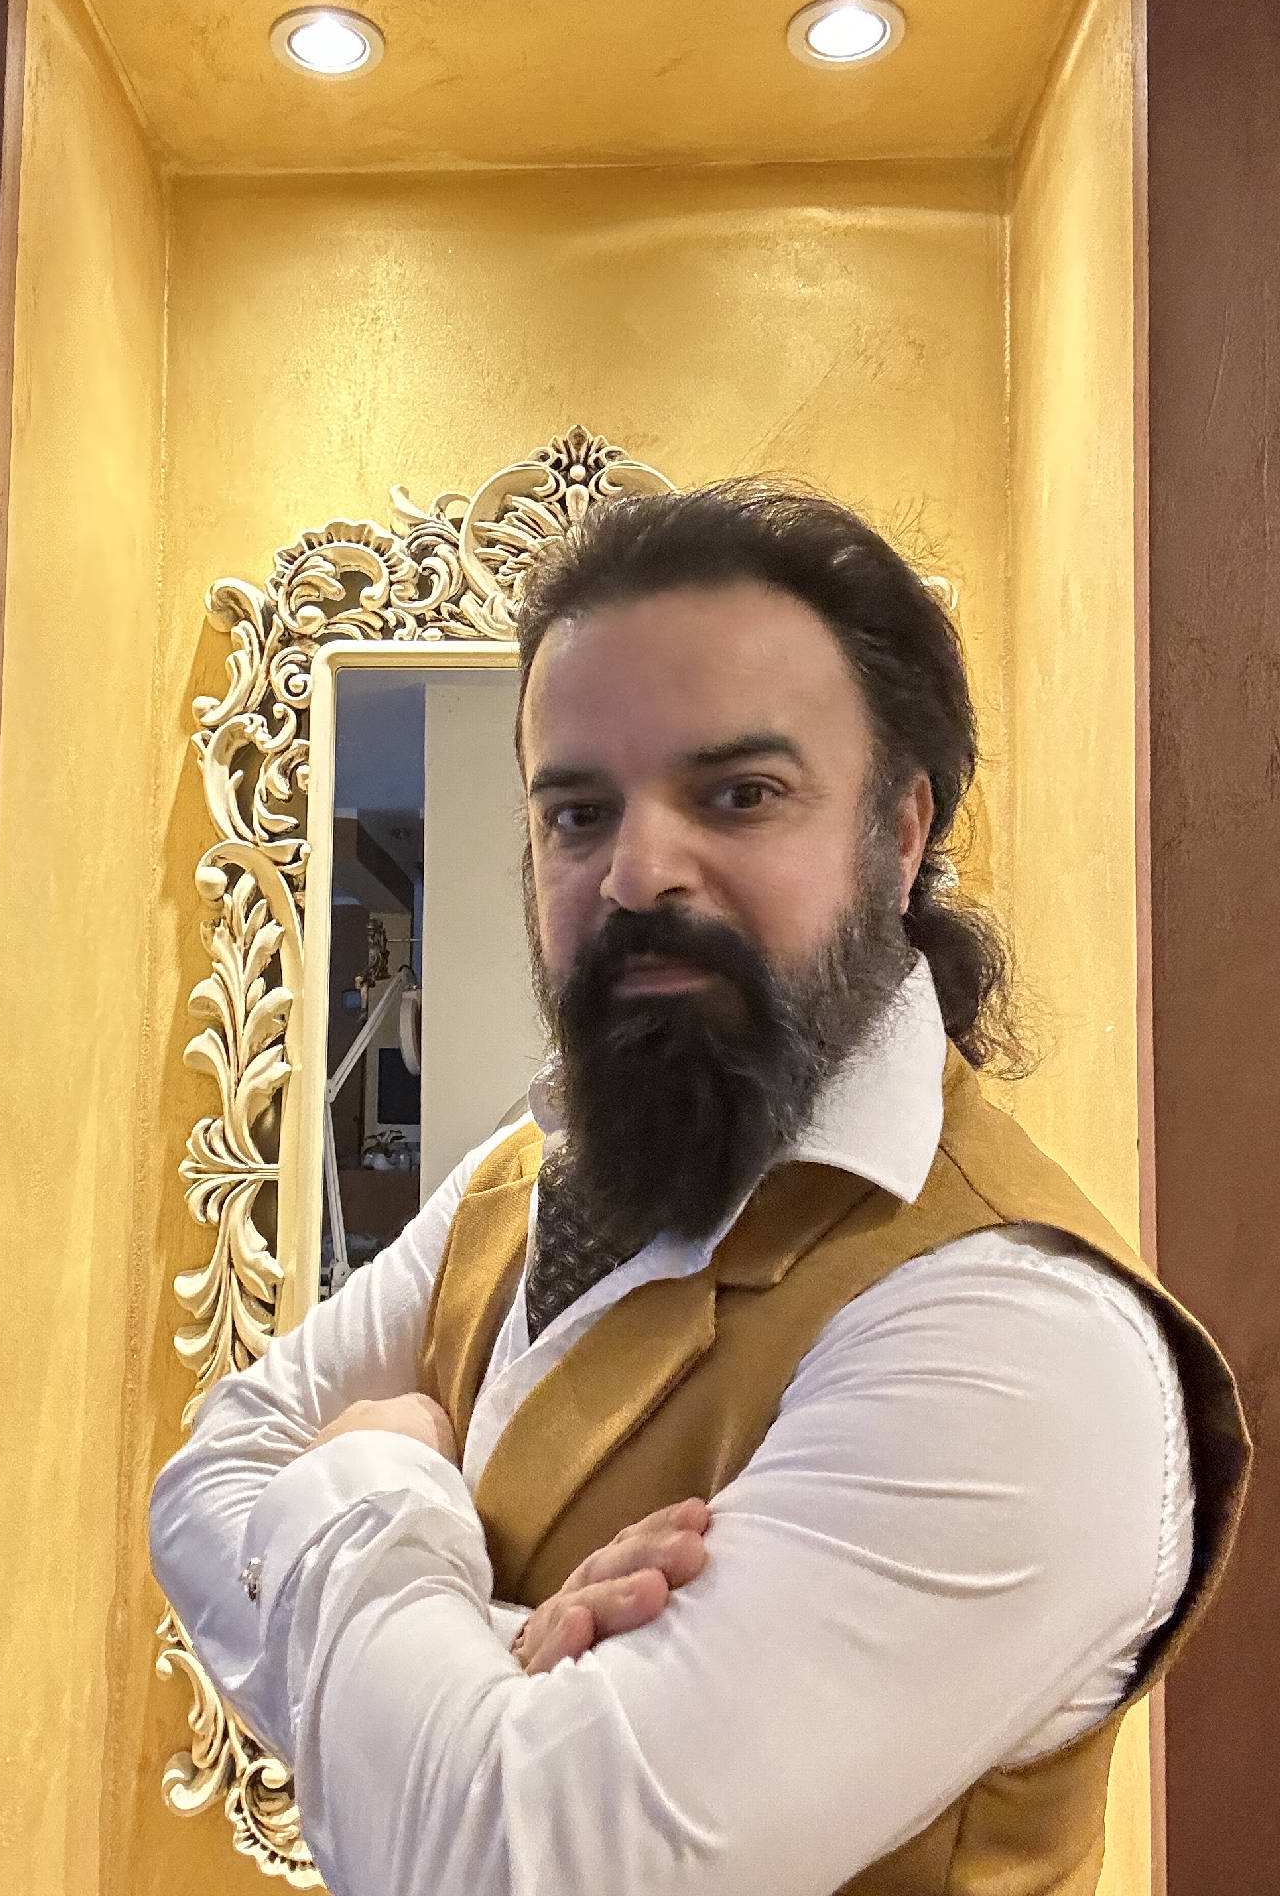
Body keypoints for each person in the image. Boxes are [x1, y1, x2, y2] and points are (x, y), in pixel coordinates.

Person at [150, 484, 1248, 1896]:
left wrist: (378, 1472)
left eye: (740, 795)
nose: (638, 872)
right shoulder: (516, 1178)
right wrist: (497, 1658)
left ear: (901, 831)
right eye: (578, 812)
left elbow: (500, 1863)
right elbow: (207, 1482)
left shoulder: (1019, 1339)